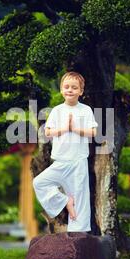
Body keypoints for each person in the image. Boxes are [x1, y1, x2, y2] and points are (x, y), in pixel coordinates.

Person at [32, 71, 98, 232]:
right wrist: (64, 128)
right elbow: (47, 132)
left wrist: (75, 129)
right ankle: (64, 201)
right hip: (60, 161)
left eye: (74, 88)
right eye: (66, 87)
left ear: (81, 91)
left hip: (78, 161)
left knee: (81, 198)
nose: (70, 90)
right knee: (39, 183)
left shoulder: (85, 110)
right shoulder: (57, 111)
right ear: (61, 89)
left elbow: (93, 132)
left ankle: (78, 234)